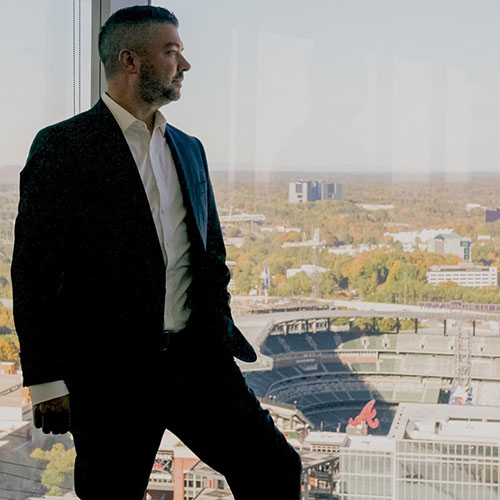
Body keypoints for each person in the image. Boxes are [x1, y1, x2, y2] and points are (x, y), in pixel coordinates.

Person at [11, 5, 301, 500]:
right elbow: (34, 273)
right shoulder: (63, 146)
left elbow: (210, 256)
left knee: (275, 468)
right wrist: (45, 381)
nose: (184, 65)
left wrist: (217, 332)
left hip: (197, 362)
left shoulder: (190, 148)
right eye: (171, 53)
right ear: (130, 60)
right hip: (110, 374)